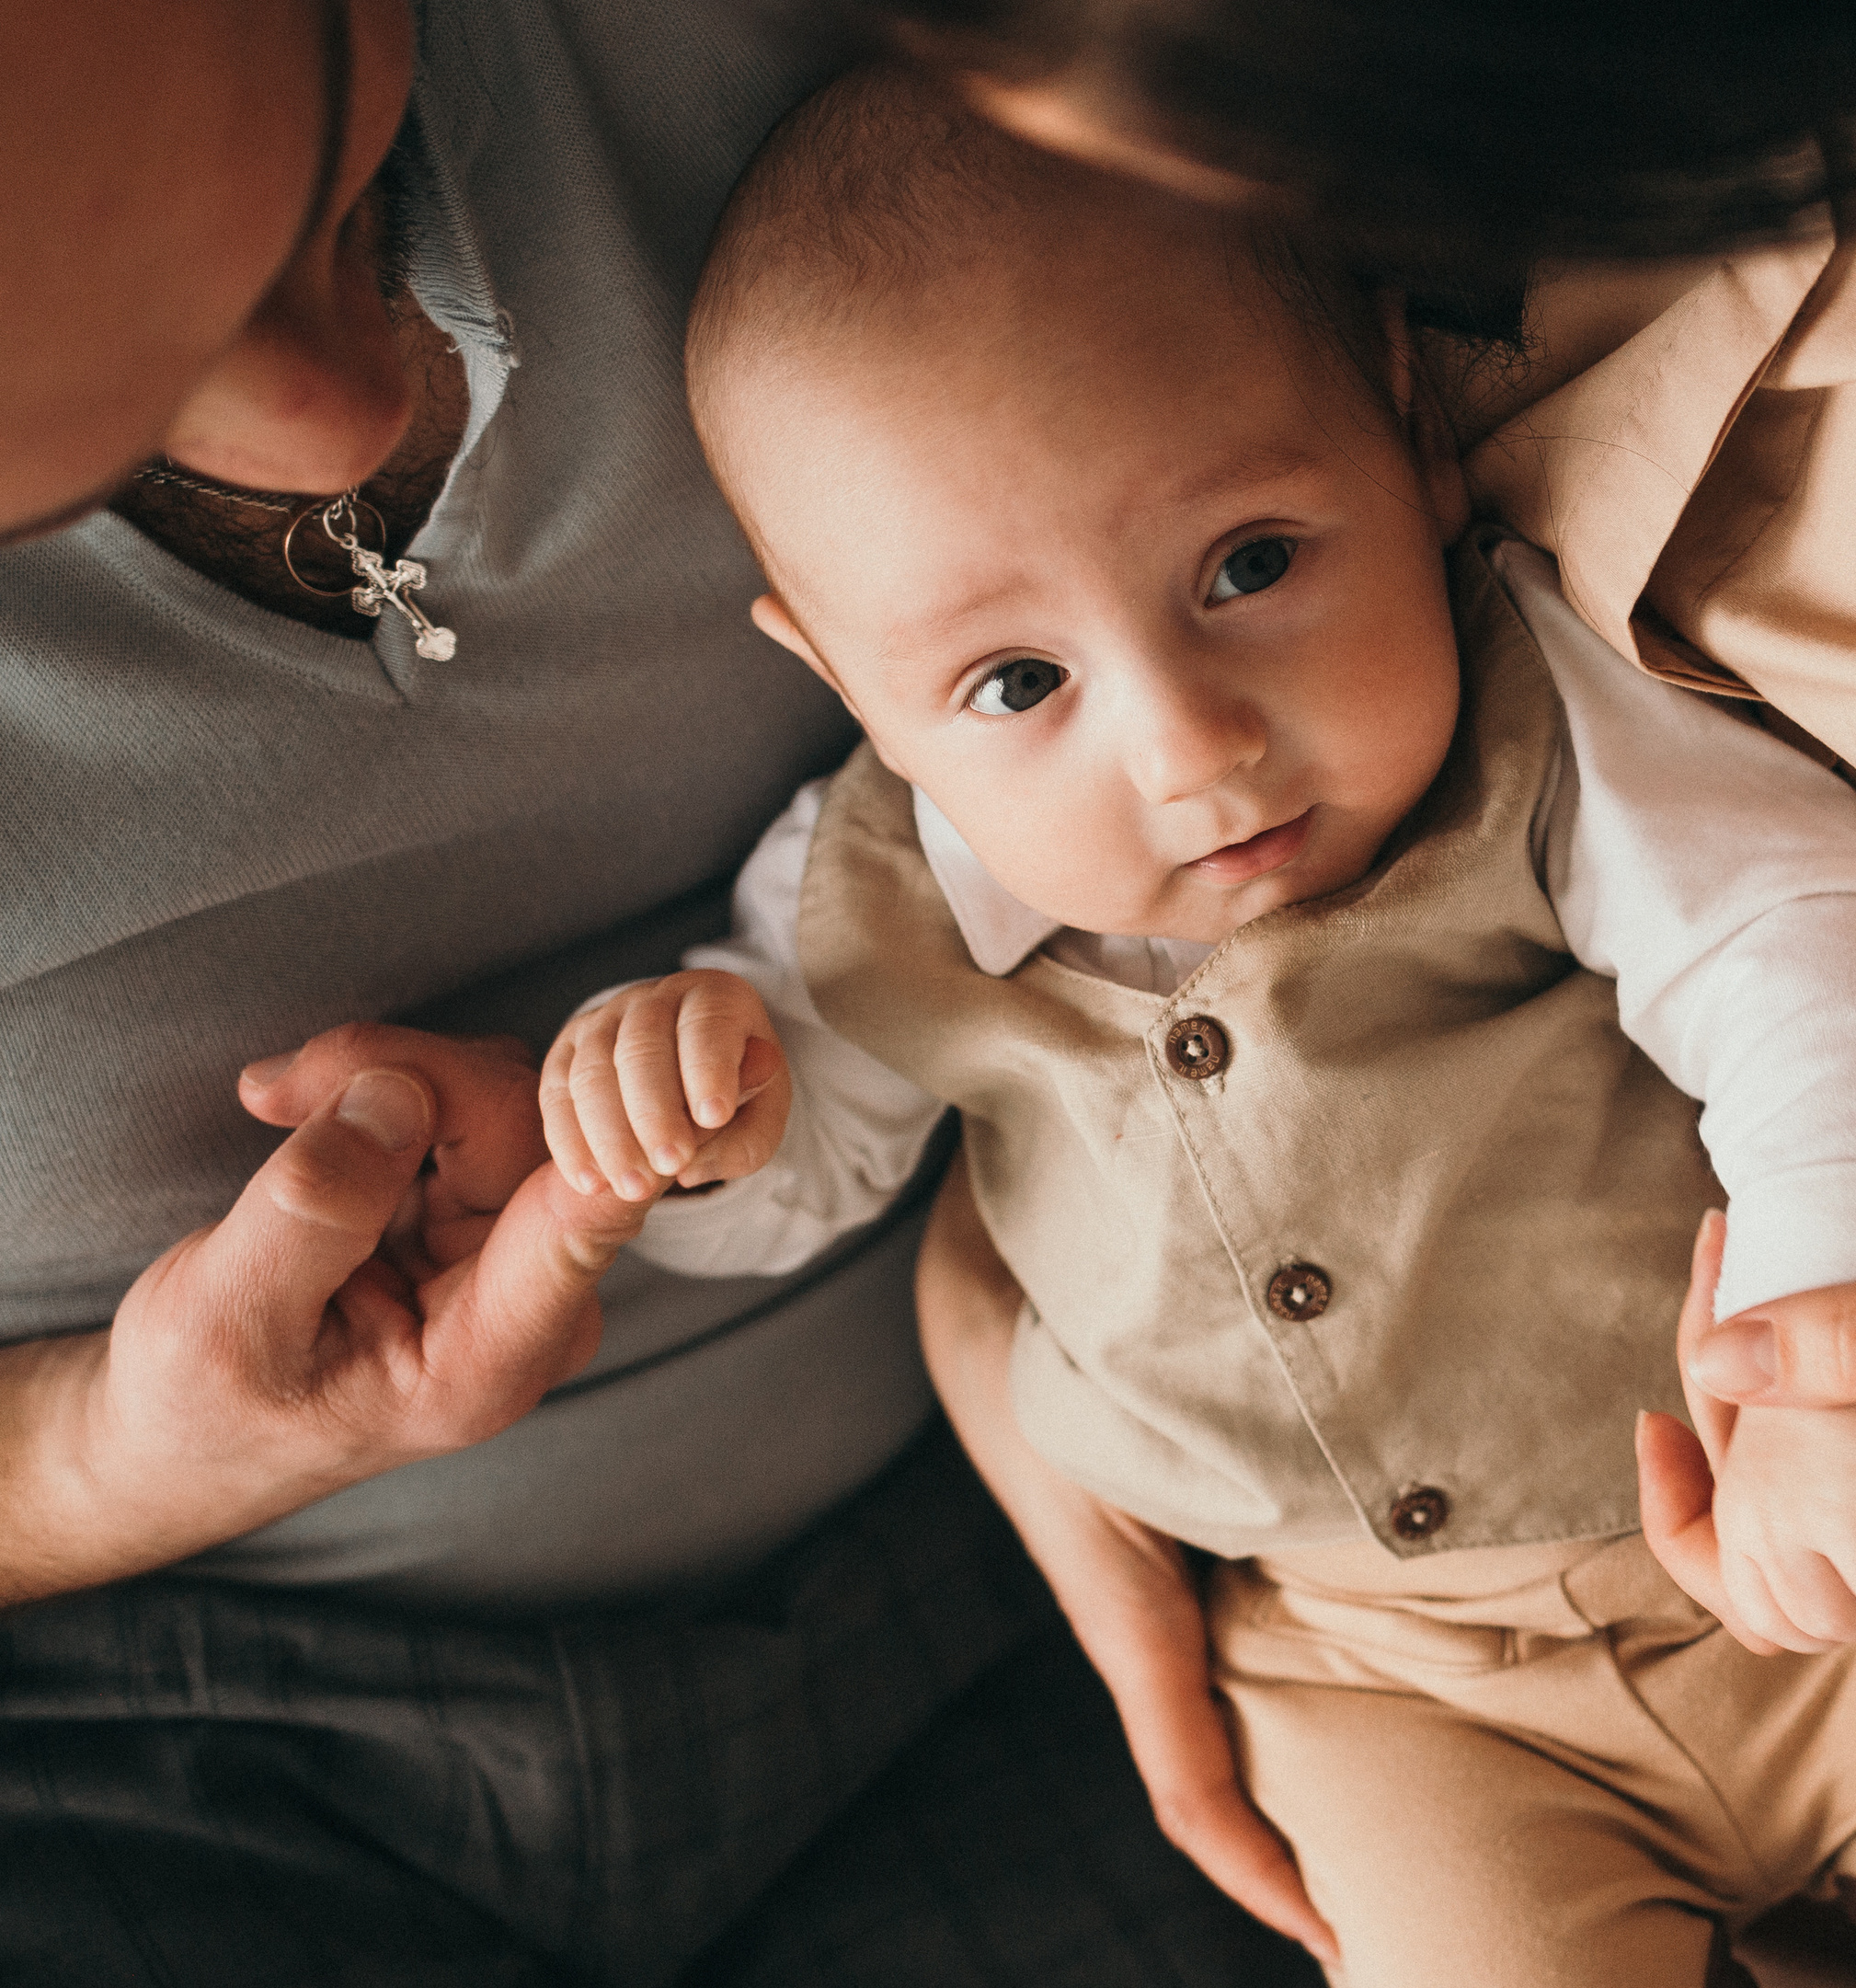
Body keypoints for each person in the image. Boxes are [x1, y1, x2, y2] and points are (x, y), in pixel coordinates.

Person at [553, 68, 1856, 1985]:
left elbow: (1822, 953)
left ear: (1401, 420)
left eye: (1252, 564)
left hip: (1797, 1555)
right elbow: (793, 1187)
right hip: (1377, 1677)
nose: (1190, 748)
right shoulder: (859, 900)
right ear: (841, 669)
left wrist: (1826, 1351)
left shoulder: (1542, 719)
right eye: (1014, 679)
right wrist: (684, 1121)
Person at [0, 3, 1319, 1981]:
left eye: (323, 193)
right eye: (79, 445)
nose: (331, 422)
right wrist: (104, 1452)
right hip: (149, 1744)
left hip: (1049, 1482)